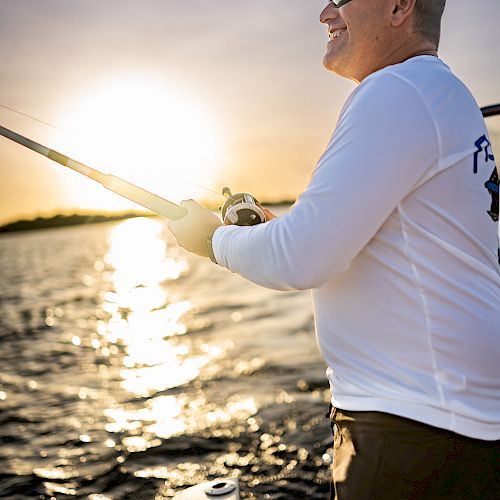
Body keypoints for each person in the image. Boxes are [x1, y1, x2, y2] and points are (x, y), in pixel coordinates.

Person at [168, 0, 500, 498]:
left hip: (416, 434)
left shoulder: (395, 90)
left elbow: (301, 257)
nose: (325, 12)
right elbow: (379, 240)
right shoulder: (443, 93)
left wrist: (212, 240)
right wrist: (279, 229)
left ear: (399, 6)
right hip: (456, 425)